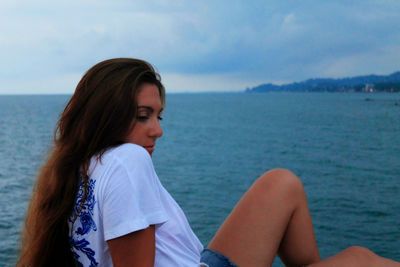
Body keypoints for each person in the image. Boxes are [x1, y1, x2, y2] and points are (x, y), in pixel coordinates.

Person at [17, 58, 399, 267]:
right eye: (142, 115)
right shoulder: (127, 161)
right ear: (106, 114)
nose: (157, 131)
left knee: (280, 183)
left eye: (158, 116)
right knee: (362, 259)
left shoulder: (78, 165)